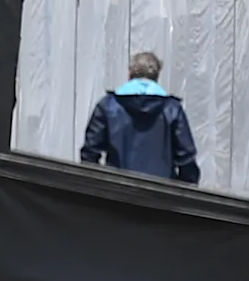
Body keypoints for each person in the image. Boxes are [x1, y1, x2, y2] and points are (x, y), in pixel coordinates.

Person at [80, 50, 201, 185]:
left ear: (130, 74)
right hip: (161, 196)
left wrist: (100, 188)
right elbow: (187, 159)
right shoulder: (172, 109)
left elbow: (89, 154)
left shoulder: (108, 106)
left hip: (116, 194)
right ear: (157, 77)